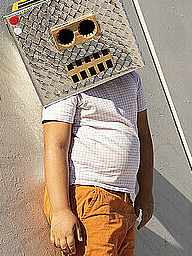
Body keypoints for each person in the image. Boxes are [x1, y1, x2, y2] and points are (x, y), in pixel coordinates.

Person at [42, 71, 154, 255]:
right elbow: (56, 146)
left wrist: (146, 190)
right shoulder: (67, 78)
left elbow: (144, 136)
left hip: (124, 200)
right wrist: (60, 210)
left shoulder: (131, 78)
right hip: (89, 196)